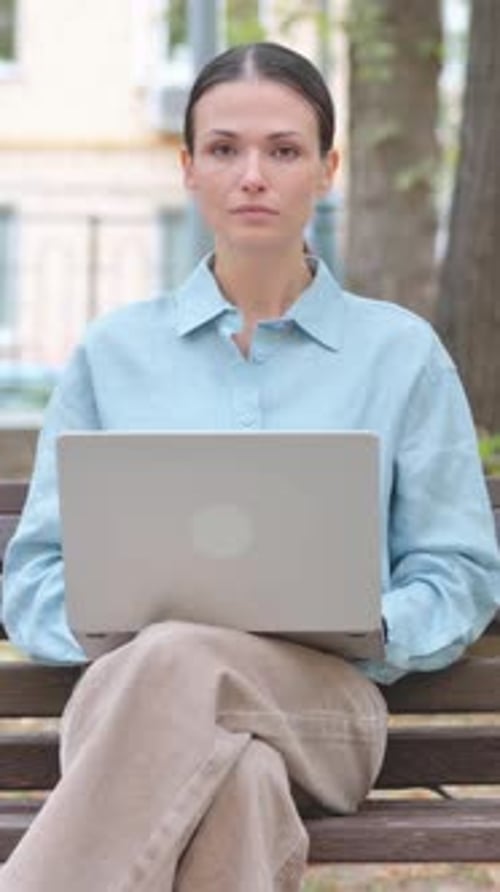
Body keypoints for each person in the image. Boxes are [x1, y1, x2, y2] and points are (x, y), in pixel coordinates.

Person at [1, 41, 499, 892]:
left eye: (284, 150)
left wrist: (374, 621)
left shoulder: (401, 355)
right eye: (226, 150)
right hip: (135, 707)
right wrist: (114, 623)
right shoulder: (114, 355)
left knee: (180, 663)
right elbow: (35, 577)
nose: (253, 175)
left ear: (327, 169)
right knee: (239, 778)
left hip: (325, 708)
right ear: (189, 169)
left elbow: (459, 570)